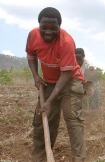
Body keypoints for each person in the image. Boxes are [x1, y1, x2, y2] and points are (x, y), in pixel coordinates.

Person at [25, 7, 86, 162]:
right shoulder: (33, 35)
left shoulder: (66, 42)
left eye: (54, 28)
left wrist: (49, 101)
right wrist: (36, 76)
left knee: (73, 120)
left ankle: (79, 159)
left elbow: (65, 76)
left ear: (60, 26)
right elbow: (31, 55)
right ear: (38, 24)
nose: (48, 31)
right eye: (44, 27)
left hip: (71, 81)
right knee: (43, 121)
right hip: (49, 81)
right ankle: (40, 158)